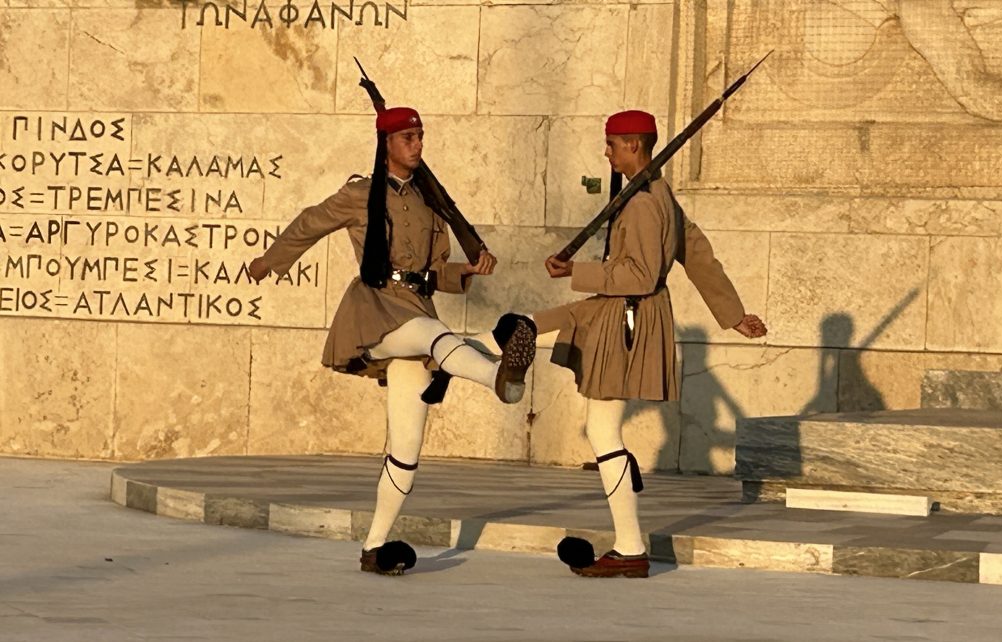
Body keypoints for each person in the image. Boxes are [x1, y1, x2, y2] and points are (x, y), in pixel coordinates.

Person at [248, 106, 537, 576]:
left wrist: (466, 269)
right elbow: (309, 223)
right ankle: (495, 375)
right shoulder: (360, 193)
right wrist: (268, 260)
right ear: (386, 144)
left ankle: (375, 547)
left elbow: (435, 271)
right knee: (432, 335)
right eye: (408, 137)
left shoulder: (428, 202)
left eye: (420, 136)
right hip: (376, 311)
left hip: (419, 306)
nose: (418, 144)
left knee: (406, 446)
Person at [538, 110, 767, 578]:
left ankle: (629, 547)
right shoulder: (657, 193)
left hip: (628, 316)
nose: (606, 152)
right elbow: (697, 252)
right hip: (628, 314)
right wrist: (732, 314)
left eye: (612, 144)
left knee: (602, 431)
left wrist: (575, 272)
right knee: (535, 336)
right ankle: (628, 537)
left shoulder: (643, 201)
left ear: (633, 146)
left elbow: (639, 277)